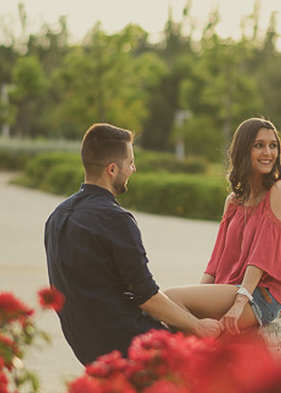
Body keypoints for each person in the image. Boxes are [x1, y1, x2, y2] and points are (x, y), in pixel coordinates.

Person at [44, 123, 220, 365]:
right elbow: (146, 295)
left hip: (86, 346)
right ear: (112, 169)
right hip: (127, 343)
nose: (134, 169)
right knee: (210, 362)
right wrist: (199, 326)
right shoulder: (115, 219)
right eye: (131, 163)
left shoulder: (57, 217)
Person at [164, 117, 281, 335]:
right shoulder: (234, 202)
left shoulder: (280, 190)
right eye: (259, 145)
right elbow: (216, 263)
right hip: (229, 289)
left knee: (170, 297)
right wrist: (195, 298)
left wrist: (239, 304)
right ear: (244, 151)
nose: (268, 153)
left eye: (273, 145)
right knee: (169, 310)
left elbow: (261, 255)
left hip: (261, 296)